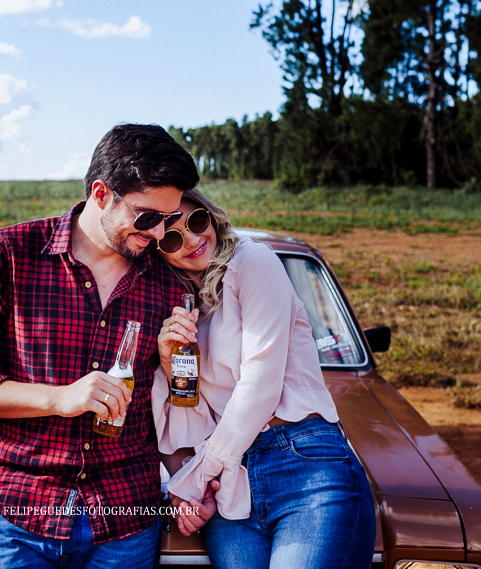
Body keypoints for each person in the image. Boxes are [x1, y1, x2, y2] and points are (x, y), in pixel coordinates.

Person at [0, 124, 207, 569]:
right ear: (101, 194)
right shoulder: (10, 254)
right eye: (146, 217)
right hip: (24, 514)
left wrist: (173, 364)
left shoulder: (168, 282)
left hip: (127, 519)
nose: (159, 234)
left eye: (168, 218)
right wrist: (59, 398)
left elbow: (178, 402)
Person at [151, 188, 375, 569]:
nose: (190, 239)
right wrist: (171, 364)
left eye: (196, 221)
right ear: (159, 251)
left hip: (304, 464)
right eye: (172, 237)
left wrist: (193, 480)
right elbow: (191, 422)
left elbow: (260, 384)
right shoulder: (182, 309)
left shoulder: (252, 261)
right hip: (231, 490)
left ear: (211, 215)